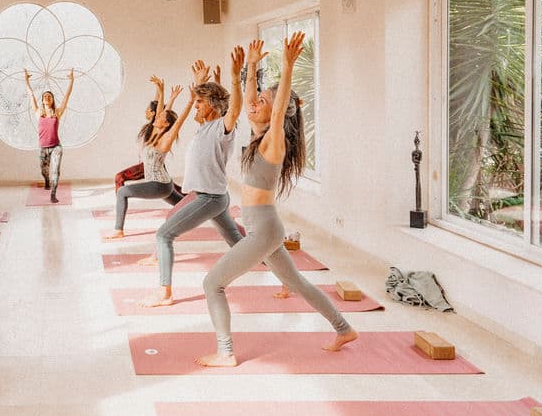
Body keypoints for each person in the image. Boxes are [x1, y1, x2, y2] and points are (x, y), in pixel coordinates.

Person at [196, 35, 358, 367]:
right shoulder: (257, 138)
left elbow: (281, 106)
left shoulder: (273, 140)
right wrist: (249, 68)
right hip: (264, 227)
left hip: (263, 230)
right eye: (255, 100)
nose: (254, 103)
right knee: (295, 281)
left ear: (276, 114)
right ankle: (343, 328)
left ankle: (226, 352)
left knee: (212, 283)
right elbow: (253, 101)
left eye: (262, 102)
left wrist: (286, 65)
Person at [139, 52, 247, 307]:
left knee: (164, 235)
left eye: (199, 102)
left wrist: (233, 77)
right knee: (239, 243)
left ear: (212, 105)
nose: (195, 106)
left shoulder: (222, 126)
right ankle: (278, 265)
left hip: (209, 197)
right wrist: (199, 83)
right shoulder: (204, 127)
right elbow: (205, 106)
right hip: (210, 196)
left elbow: (234, 108)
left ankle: (164, 293)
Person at [106, 84, 192, 240]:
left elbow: (178, 122)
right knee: (185, 206)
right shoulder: (153, 132)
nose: (156, 117)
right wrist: (168, 96)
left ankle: (118, 230)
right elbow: (161, 113)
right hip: (164, 184)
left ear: (165, 124)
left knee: (122, 192)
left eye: (160, 118)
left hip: (159, 185)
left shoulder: (166, 139)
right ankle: (211, 212)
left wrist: (190, 101)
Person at [23, 68, 75, 203]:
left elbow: (66, 97)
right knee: (44, 170)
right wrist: (26, 80)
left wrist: (71, 80)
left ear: (52, 100)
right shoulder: (38, 112)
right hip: (43, 148)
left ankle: (53, 193)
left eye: (49, 96)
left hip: (56, 146)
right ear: (42, 100)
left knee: (56, 170)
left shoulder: (57, 112)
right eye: (45, 96)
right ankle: (46, 181)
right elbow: (31, 95)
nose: (47, 97)